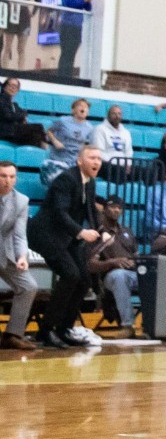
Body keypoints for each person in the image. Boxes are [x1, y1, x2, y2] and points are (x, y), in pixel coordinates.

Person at [26, 145, 101, 348]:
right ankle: (45, 331)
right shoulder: (66, 179)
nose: (97, 162)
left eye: (99, 158)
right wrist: (81, 232)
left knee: (84, 280)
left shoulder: (90, 182)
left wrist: (99, 230)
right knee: (70, 275)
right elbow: (60, 213)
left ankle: (64, 328)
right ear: (79, 161)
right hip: (46, 235)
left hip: (67, 237)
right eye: (92, 157)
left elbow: (89, 210)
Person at [0, 161, 38, 350]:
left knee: (29, 286)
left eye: (12, 177)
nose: (8, 181)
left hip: (5, 253)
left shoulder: (21, 200)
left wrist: (22, 256)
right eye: (3, 176)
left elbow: (19, 234)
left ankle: (13, 334)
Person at [86, 195, 139, 331]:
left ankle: (154, 325)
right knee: (119, 276)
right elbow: (90, 265)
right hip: (109, 276)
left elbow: (136, 255)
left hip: (133, 273)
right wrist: (112, 262)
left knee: (157, 276)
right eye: (112, 207)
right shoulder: (96, 233)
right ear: (104, 209)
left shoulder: (126, 231)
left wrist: (137, 263)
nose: (116, 210)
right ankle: (127, 325)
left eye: (119, 208)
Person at [43, 99, 95, 183]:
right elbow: (49, 131)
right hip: (59, 159)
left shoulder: (89, 127)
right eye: (80, 105)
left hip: (75, 162)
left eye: (86, 107)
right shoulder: (63, 121)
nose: (83, 108)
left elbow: (88, 145)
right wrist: (55, 141)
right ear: (73, 110)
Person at [2, 0, 40, 69]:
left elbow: (38, 0)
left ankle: (21, 72)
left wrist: (33, 12)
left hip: (24, 16)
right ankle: (5, 69)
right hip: (12, 13)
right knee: (8, 45)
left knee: (21, 47)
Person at [58, 0, 93, 78]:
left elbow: (88, 8)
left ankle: (68, 76)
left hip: (77, 27)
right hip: (66, 25)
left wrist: (87, 1)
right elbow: (69, 4)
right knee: (65, 51)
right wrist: (84, 0)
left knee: (72, 52)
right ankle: (62, 76)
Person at [90, 104, 136, 174]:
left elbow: (129, 152)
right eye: (114, 113)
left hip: (123, 166)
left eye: (119, 114)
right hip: (106, 165)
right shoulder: (99, 129)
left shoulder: (126, 132)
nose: (117, 116)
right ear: (108, 116)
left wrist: (128, 164)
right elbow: (99, 152)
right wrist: (115, 163)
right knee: (119, 171)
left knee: (147, 172)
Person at [0, 78, 46, 147]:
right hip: (6, 131)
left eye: (15, 87)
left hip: (14, 131)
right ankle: (47, 147)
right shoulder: (2, 100)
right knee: (38, 127)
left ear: (17, 90)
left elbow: (23, 113)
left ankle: (44, 149)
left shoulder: (15, 104)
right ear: (5, 87)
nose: (13, 88)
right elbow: (8, 115)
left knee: (36, 137)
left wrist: (22, 115)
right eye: (10, 85)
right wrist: (22, 116)